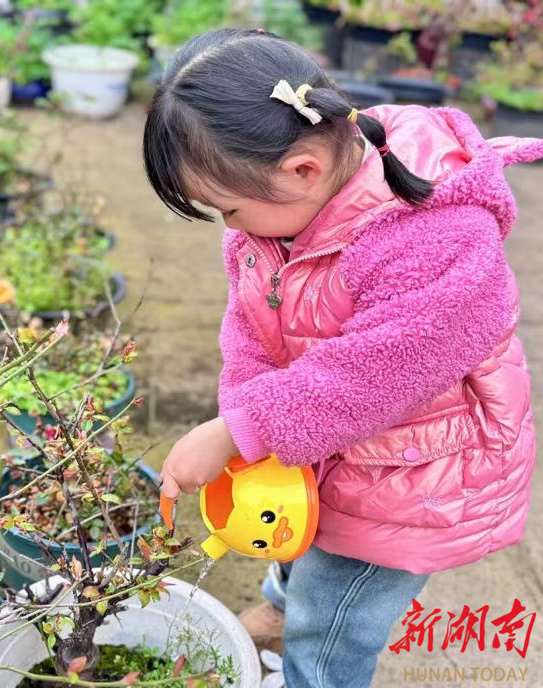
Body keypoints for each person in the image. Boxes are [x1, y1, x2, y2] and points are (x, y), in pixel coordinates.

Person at [142, 28, 542, 688]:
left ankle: (312, 669)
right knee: (300, 539)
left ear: (300, 169)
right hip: (328, 448)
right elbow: (249, 319)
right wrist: (245, 408)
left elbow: (366, 379)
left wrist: (241, 429)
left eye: (228, 208)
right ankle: (280, 608)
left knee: (335, 614)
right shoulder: (278, 215)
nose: (231, 228)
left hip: (408, 478)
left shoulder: (437, 235)